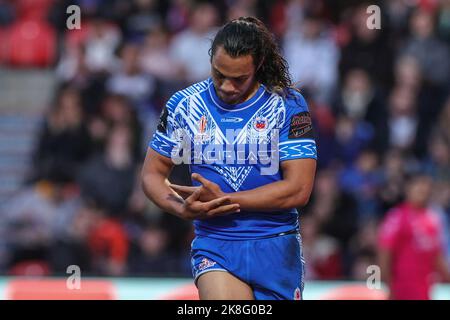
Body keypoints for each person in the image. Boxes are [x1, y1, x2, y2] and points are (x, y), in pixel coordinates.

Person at [141, 17, 317, 300]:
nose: (226, 86)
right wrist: (180, 208)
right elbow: (152, 174)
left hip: (275, 244)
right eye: (219, 73)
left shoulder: (288, 105)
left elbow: (299, 189)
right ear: (211, 59)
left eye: (238, 79)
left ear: (258, 66)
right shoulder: (184, 105)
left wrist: (224, 199)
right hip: (216, 244)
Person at [378, 174, 450, 300]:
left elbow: (436, 256)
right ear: (408, 189)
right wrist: (388, 285)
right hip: (401, 289)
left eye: (426, 187)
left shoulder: (433, 219)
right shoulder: (397, 217)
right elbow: (384, 253)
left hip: (424, 290)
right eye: (418, 186)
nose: (422, 190)